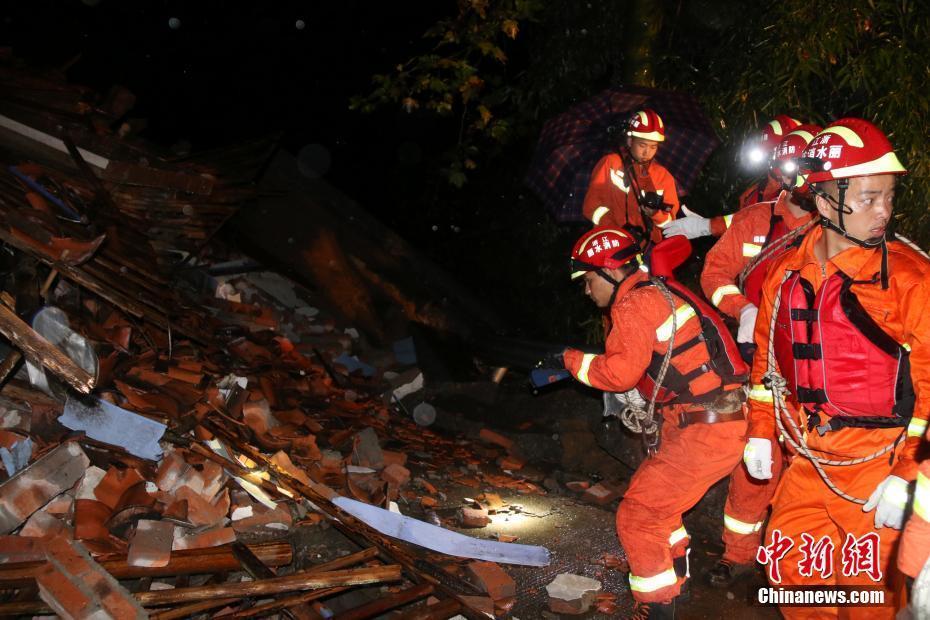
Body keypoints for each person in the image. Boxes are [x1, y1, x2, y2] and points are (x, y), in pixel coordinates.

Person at [743, 118, 930, 618]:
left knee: (869, 598)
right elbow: (765, 367)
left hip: (879, 466)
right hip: (808, 460)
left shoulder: (909, 281)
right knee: (792, 579)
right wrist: (760, 431)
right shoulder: (785, 276)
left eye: (889, 197)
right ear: (826, 202)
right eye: (869, 198)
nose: (884, 212)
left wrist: (910, 474)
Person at [547, 226, 748, 618]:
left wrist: (568, 359)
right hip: (711, 419)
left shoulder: (635, 304)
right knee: (661, 507)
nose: (587, 292)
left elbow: (619, 373)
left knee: (638, 514)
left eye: (589, 281)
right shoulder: (660, 290)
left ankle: (656, 607)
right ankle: (676, 580)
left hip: (707, 428)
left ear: (610, 272)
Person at [695, 124, 821, 587]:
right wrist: (741, 307)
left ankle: (795, 564)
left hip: (811, 365)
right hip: (753, 358)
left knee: (807, 463)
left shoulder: (832, 230)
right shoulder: (754, 221)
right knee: (756, 457)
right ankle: (740, 553)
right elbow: (714, 273)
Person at [663, 115, 802, 240]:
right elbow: (742, 222)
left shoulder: (802, 196)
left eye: (775, 153)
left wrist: (708, 226)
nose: (772, 161)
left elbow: (763, 220)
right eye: (769, 154)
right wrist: (709, 225)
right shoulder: (754, 192)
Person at [582, 109, 680, 246]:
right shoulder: (610, 164)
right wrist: (617, 231)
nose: (647, 152)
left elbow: (670, 223)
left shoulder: (663, 176)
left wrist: (655, 214)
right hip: (611, 244)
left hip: (646, 248)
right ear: (629, 141)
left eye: (653, 147)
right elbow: (591, 206)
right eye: (642, 145)